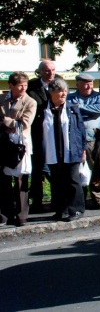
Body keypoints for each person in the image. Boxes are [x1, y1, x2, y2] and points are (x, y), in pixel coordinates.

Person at [44, 77, 87, 222]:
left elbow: (81, 130)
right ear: (51, 92)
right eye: (60, 91)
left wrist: (83, 149)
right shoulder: (43, 110)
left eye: (65, 91)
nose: (63, 94)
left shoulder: (72, 109)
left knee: (73, 180)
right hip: (53, 152)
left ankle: (76, 210)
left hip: (71, 151)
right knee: (57, 182)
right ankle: (61, 210)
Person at [0, 72, 36, 226]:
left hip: (21, 145)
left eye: (25, 85)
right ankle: (5, 215)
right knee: (4, 181)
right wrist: (10, 125)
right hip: (3, 143)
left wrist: (5, 121)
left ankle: (21, 216)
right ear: (11, 85)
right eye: (20, 85)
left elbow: (25, 123)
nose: (23, 88)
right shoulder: (2, 99)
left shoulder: (30, 102)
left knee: (21, 181)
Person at [67, 73, 100, 209]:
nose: (89, 85)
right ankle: (80, 199)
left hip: (94, 139)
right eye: (85, 83)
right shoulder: (70, 97)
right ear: (77, 84)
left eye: (90, 83)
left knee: (97, 168)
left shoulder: (99, 97)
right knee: (77, 171)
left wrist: (79, 108)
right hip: (75, 139)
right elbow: (69, 112)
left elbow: (99, 110)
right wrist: (82, 110)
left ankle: (99, 197)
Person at [26, 60, 56, 213]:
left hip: (55, 133)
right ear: (40, 72)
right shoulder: (31, 87)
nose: (50, 73)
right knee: (37, 169)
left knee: (54, 168)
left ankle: (58, 200)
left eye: (52, 70)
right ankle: (36, 202)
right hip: (37, 134)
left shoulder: (59, 84)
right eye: (46, 70)